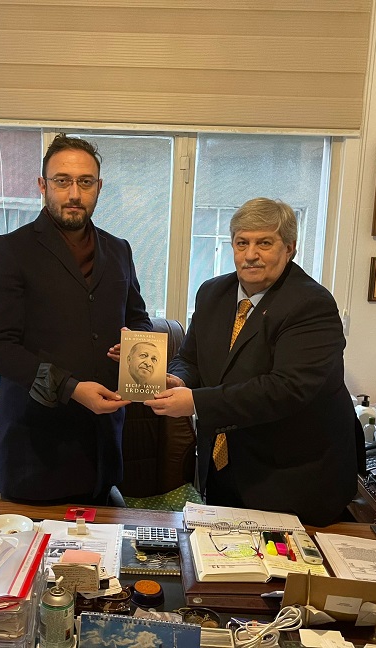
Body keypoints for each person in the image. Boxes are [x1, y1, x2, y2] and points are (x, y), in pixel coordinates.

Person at [147, 198, 364, 526]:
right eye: (242, 243)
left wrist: (196, 402)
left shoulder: (311, 304)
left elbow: (286, 389)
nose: (250, 254)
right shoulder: (212, 293)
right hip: (225, 468)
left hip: (293, 477)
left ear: (290, 248)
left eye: (264, 243)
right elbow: (190, 358)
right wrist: (179, 379)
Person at [0, 134, 151, 505]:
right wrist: (71, 388)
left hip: (103, 451)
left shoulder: (119, 250)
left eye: (85, 182)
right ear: (43, 186)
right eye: (62, 181)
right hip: (35, 454)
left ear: (98, 187)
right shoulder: (10, 250)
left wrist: (135, 350)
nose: (74, 193)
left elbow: (139, 320)